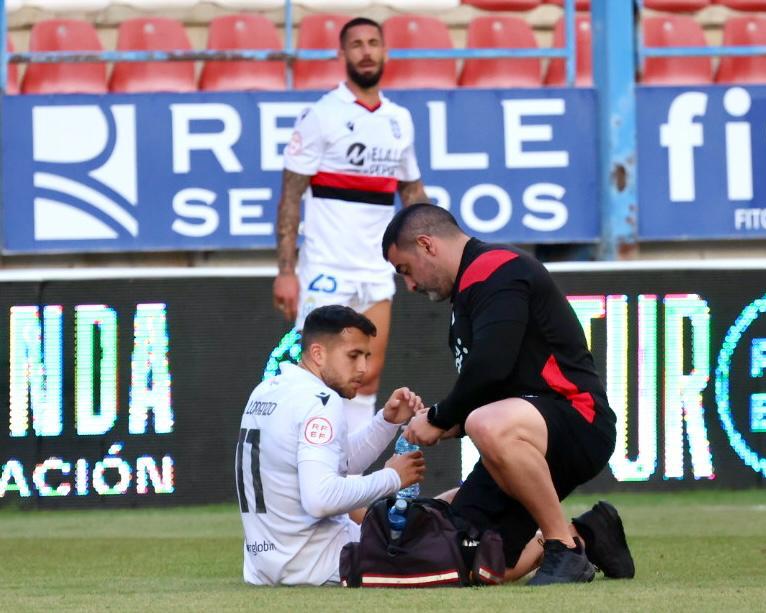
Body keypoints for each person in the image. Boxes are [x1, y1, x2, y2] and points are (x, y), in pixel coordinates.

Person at [381, 203, 635, 585]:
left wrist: (438, 417)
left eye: (405, 269)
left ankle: (564, 548)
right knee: (473, 560)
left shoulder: (495, 268)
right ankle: (588, 534)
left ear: (426, 244)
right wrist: (438, 423)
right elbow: (490, 389)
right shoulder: (465, 298)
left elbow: (491, 366)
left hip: (578, 420)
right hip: (521, 434)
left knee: (485, 424)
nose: (410, 285)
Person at [273, 17, 428, 442]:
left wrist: (429, 255)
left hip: (375, 269)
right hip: (326, 266)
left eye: (373, 43)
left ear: (385, 51)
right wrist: (286, 270)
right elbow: (290, 197)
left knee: (366, 373)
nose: (366, 51)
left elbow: (413, 193)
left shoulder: (399, 120)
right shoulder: (321, 115)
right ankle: (305, 462)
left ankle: (349, 473)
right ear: (342, 54)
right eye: (356, 44)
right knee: (316, 374)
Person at [237, 305, 426, 586]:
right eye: (353, 356)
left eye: (366, 356)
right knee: (438, 531)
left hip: (264, 568)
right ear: (318, 354)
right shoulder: (321, 401)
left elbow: (334, 461)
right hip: (321, 564)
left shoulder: (266, 390)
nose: (363, 368)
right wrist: (392, 477)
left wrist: (385, 422)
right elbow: (321, 499)